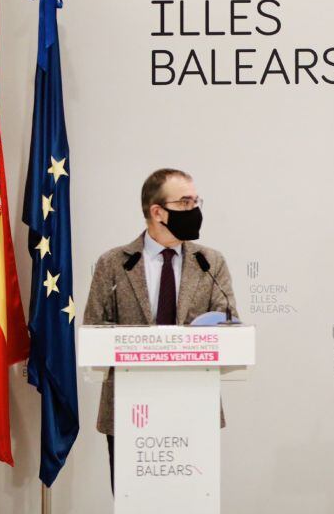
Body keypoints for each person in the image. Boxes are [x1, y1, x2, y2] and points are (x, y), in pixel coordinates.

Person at [82, 167, 238, 492]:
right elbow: (93, 330)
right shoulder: (114, 264)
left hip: (193, 407)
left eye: (196, 201)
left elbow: (230, 328)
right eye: (185, 203)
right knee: (134, 503)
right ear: (157, 212)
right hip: (129, 412)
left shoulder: (211, 263)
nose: (194, 210)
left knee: (191, 503)